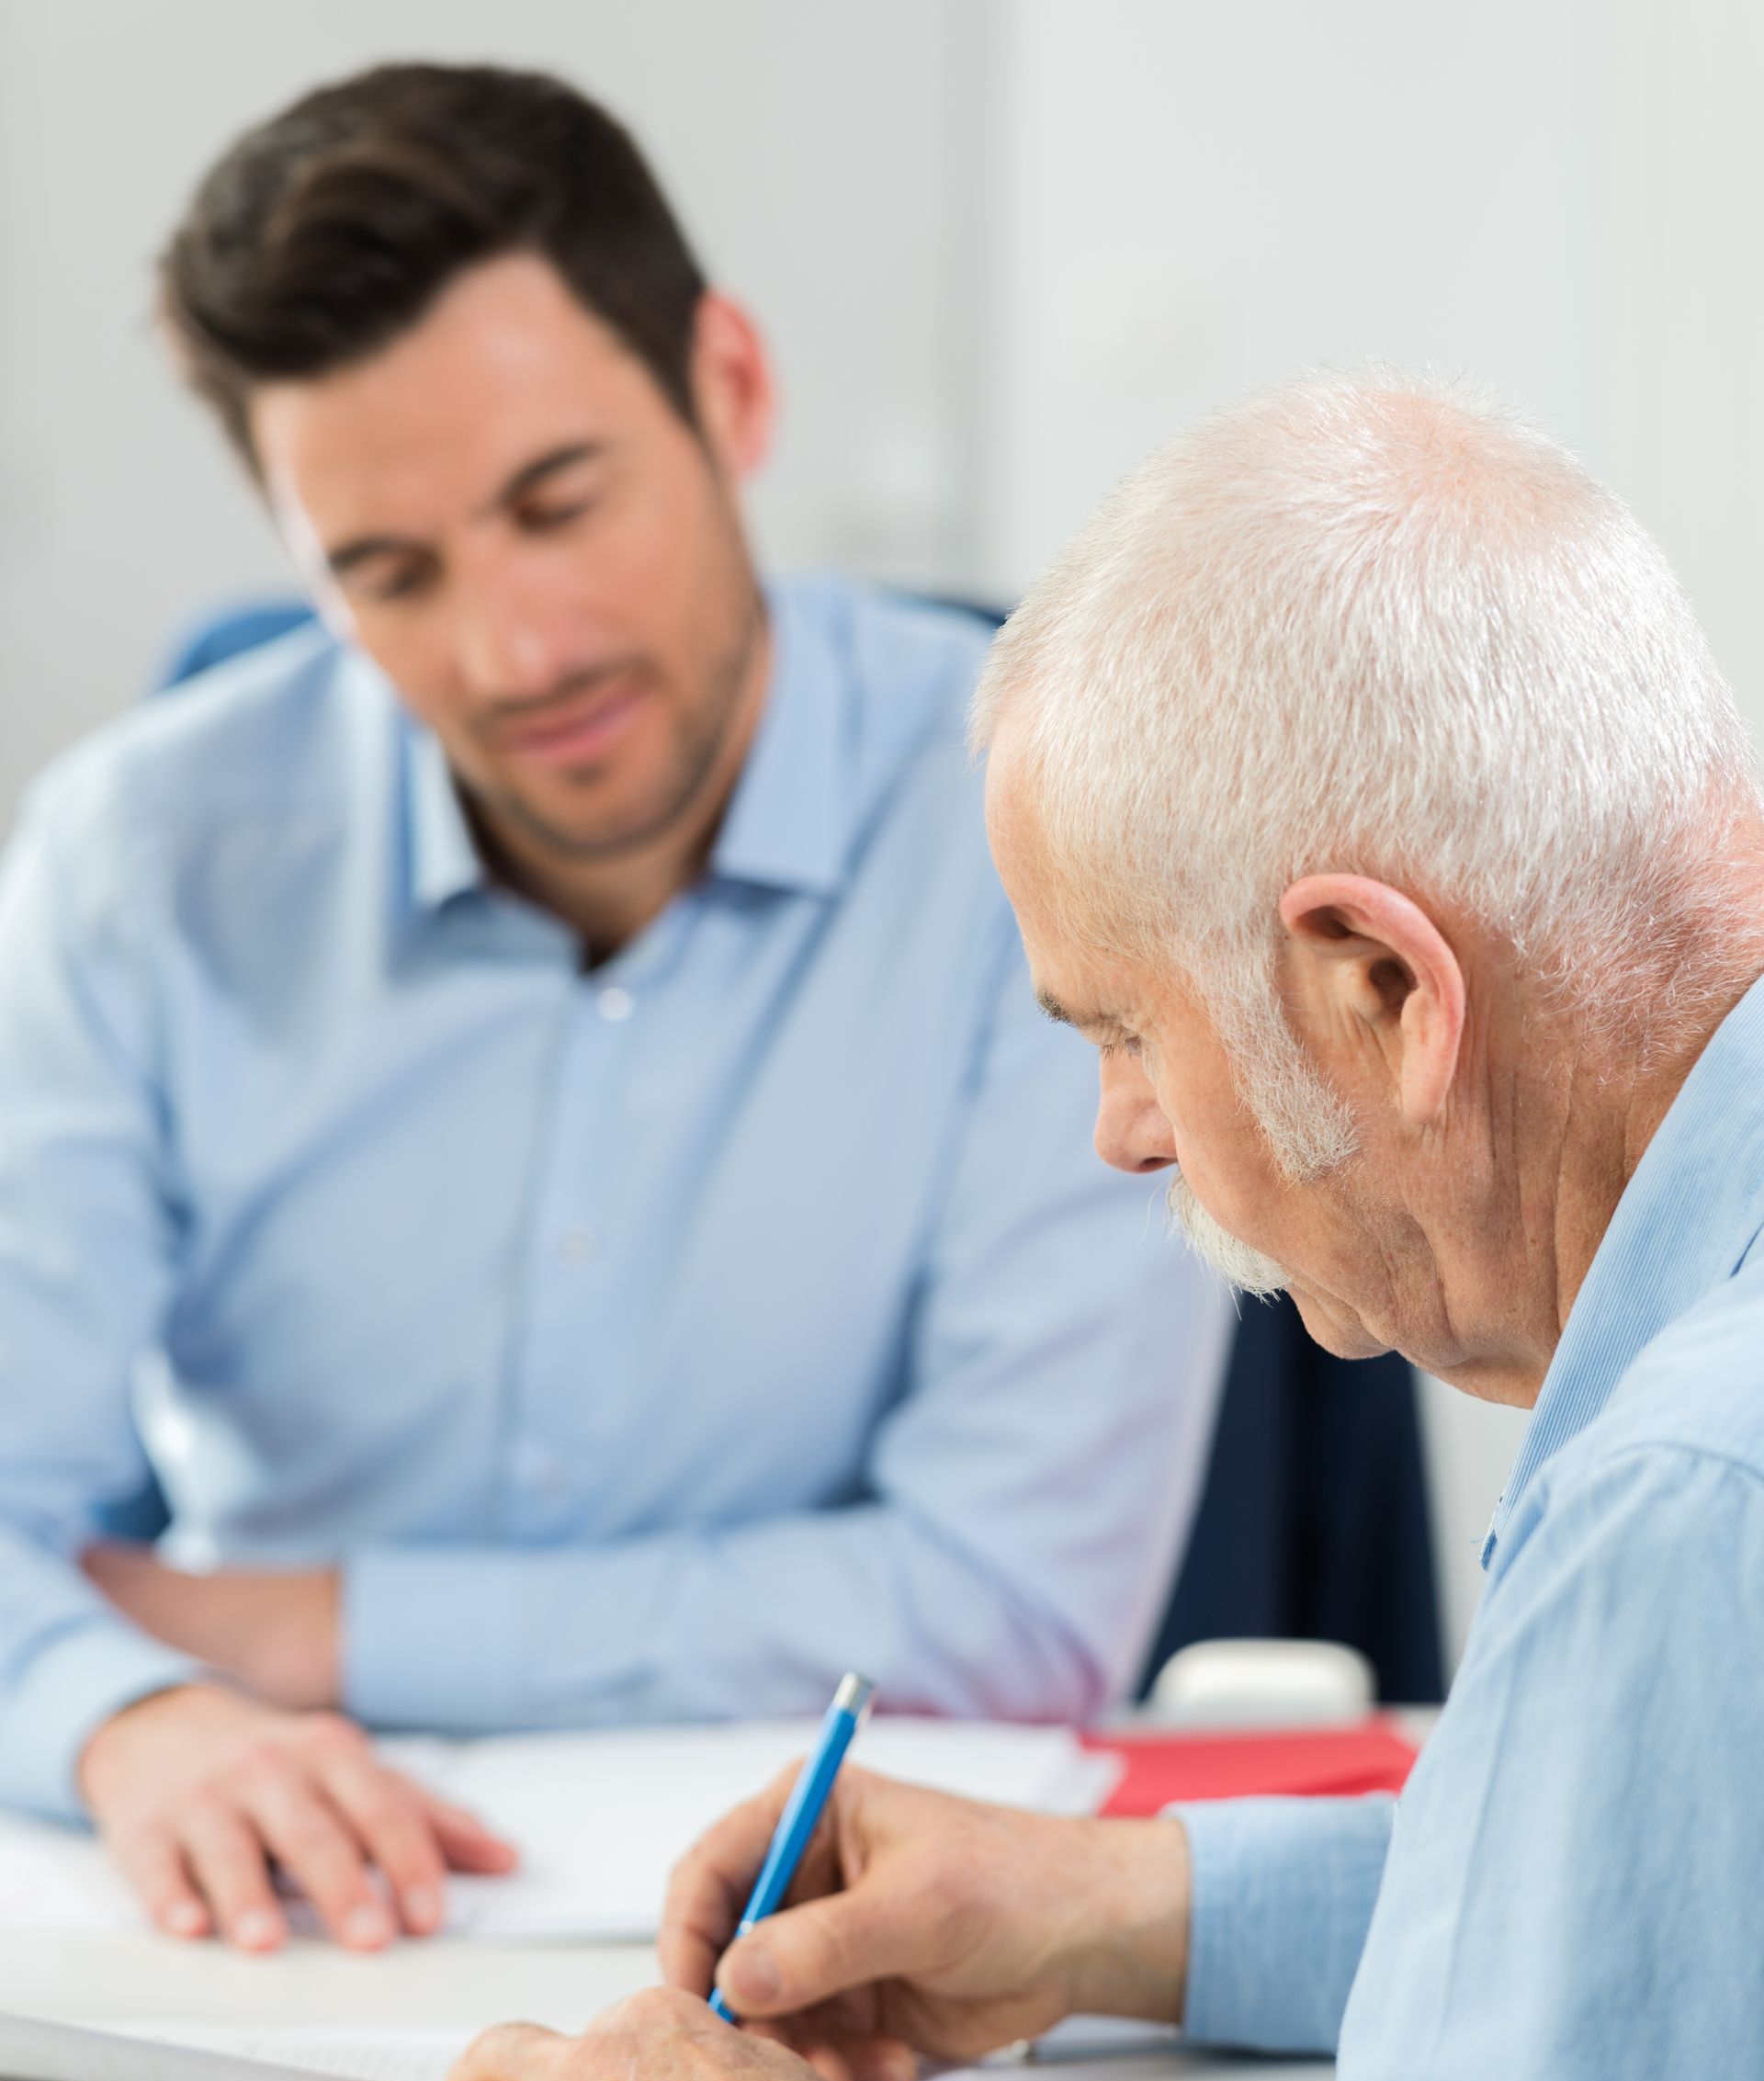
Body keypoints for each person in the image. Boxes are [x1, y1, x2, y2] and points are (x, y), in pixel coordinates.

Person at [322, 372, 1764, 2081]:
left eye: (1117, 1030)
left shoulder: (1700, 1502)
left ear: (1376, 985)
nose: (1114, 1136)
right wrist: (1135, 1907)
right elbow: (1684, 1916)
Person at [0, 62, 1222, 1951]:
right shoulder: (136, 860)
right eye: (387, 575)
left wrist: (297, 1625)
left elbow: (1013, 1597)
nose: (514, 651)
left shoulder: (1039, 824)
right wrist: (134, 1711)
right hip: (275, 1924)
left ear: (728, 388)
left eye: (558, 504)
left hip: (859, 1933)